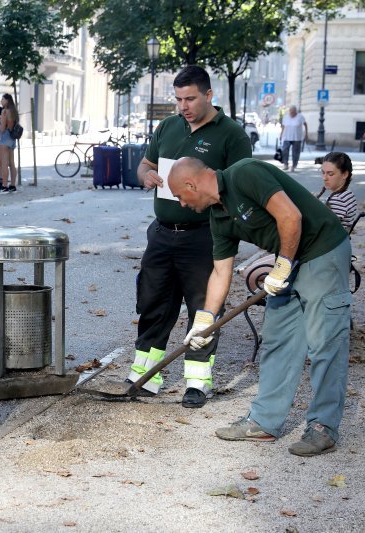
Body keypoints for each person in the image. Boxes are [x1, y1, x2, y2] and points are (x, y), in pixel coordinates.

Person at [171, 157, 351, 457]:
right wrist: (204, 319)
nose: (181, 204)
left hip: (322, 251)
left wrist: (282, 266)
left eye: (179, 196)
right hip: (289, 259)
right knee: (278, 340)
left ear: (191, 184)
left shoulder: (245, 174)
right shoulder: (219, 217)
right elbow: (220, 272)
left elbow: (290, 217)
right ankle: (264, 421)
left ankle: (323, 427)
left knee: (325, 342)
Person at [125, 65, 251, 408]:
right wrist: (146, 175)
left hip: (205, 237)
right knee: (153, 304)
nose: (183, 105)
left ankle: (197, 381)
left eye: (190, 98)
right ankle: (145, 376)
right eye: (179, 98)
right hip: (163, 235)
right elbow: (144, 165)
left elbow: (242, 186)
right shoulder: (168, 126)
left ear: (209, 95)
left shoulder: (232, 135)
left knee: (203, 309)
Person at [318, 152, 358, 231]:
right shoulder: (348, 194)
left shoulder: (338, 199)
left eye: (330, 174)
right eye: (323, 173)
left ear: (345, 174)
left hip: (331, 241)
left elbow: (325, 228)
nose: (324, 178)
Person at [0, 93, 19, 193]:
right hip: (12, 138)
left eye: (3, 99)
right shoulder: (14, 111)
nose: (1, 101)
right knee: (12, 163)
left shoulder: (4, 111)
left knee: (4, 164)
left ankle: (4, 186)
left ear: (7, 101)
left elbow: (2, 128)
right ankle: (12, 185)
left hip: (4, 139)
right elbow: (11, 124)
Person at [280, 105, 308, 172]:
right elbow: (283, 126)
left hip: (297, 138)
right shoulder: (286, 117)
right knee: (285, 151)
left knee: (295, 153)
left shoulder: (300, 116)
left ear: (296, 111)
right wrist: (281, 134)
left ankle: (293, 166)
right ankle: (285, 164)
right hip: (286, 137)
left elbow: (305, 124)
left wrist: (306, 134)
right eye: (290, 112)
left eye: (293, 112)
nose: (291, 113)